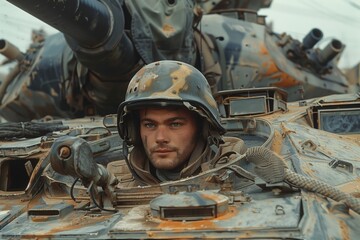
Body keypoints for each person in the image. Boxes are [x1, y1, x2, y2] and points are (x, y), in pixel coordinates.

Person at [113, 60, 246, 186]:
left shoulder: (238, 172)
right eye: (150, 125)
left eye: (175, 124)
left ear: (203, 128)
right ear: (134, 130)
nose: (160, 138)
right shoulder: (115, 182)